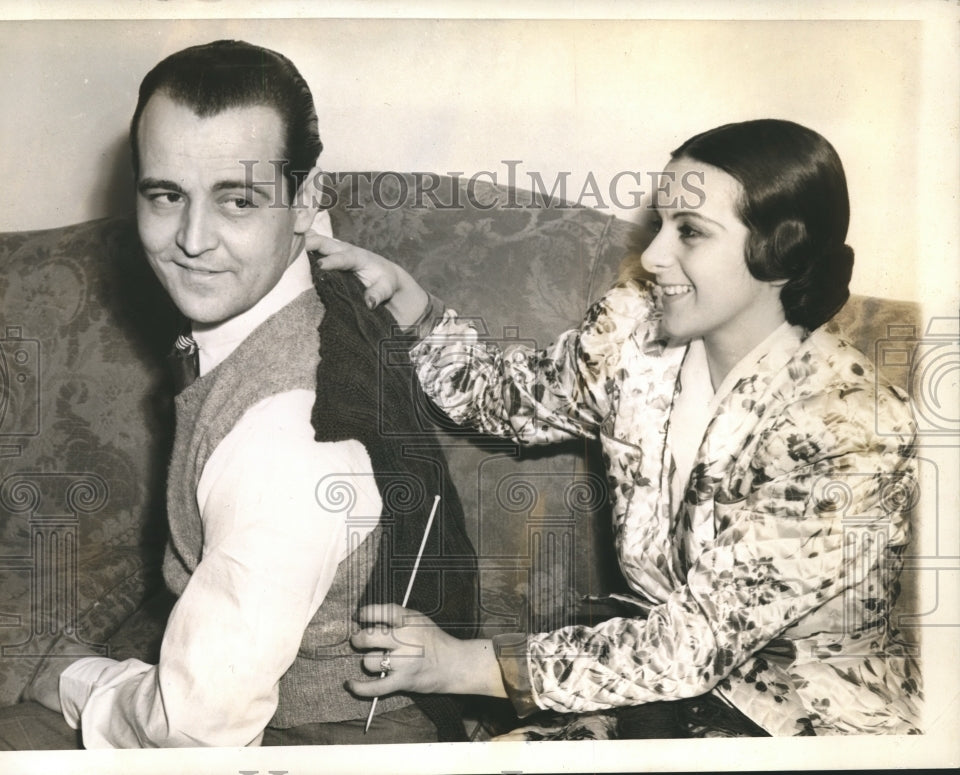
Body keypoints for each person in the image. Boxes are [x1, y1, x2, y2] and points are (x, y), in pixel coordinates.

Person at [310, 119, 923, 737]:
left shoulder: (852, 425)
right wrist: (410, 304)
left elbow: (692, 646)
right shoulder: (636, 330)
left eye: (690, 232)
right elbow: (507, 400)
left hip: (803, 723)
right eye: (661, 223)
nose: (654, 256)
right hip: (647, 693)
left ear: (779, 253)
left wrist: (462, 665)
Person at [21, 39, 477, 748]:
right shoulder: (310, 268)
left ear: (304, 201)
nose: (192, 240)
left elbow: (195, 732)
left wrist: (76, 679)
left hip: (322, 741)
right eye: (167, 195)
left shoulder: (285, 449)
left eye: (236, 199)